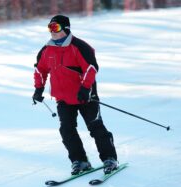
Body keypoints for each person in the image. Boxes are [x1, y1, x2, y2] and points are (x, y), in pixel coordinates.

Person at [32, 15, 118, 175]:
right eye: (49, 27)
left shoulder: (79, 47)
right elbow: (40, 69)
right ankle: (80, 161)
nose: (52, 31)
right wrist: (38, 89)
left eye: (55, 27)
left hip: (85, 97)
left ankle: (110, 158)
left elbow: (91, 68)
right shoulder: (46, 50)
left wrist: (85, 88)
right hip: (63, 98)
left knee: (95, 128)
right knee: (66, 130)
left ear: (66, 29)